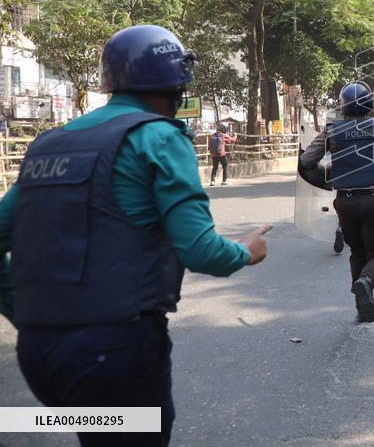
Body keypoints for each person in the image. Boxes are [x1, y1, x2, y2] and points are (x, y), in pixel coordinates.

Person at [0, 24, 271, 445]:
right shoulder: (159, 137)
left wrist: (25, 313)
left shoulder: (49, 143)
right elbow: (199, 249)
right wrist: (245, 252)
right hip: (114, 352)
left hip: (39, 354)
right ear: (177, 84)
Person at [300, 82, 374, 323]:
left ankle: (361, 303)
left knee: (357, 253)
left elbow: (307, 160)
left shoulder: (331, 131)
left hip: (345, 202)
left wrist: (325, 176)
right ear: (369, 105)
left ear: (343, 107)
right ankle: (366, 282)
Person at [208, 122, 237, 186]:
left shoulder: (213, 135)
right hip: (221, 154)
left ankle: (212, 181)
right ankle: (224, 180)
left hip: (213, 154)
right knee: (225, 165)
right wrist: (235, 136)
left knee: (215, 167)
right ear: (224, 128)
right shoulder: (223, 135)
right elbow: (232, 140)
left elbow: (209, 145)